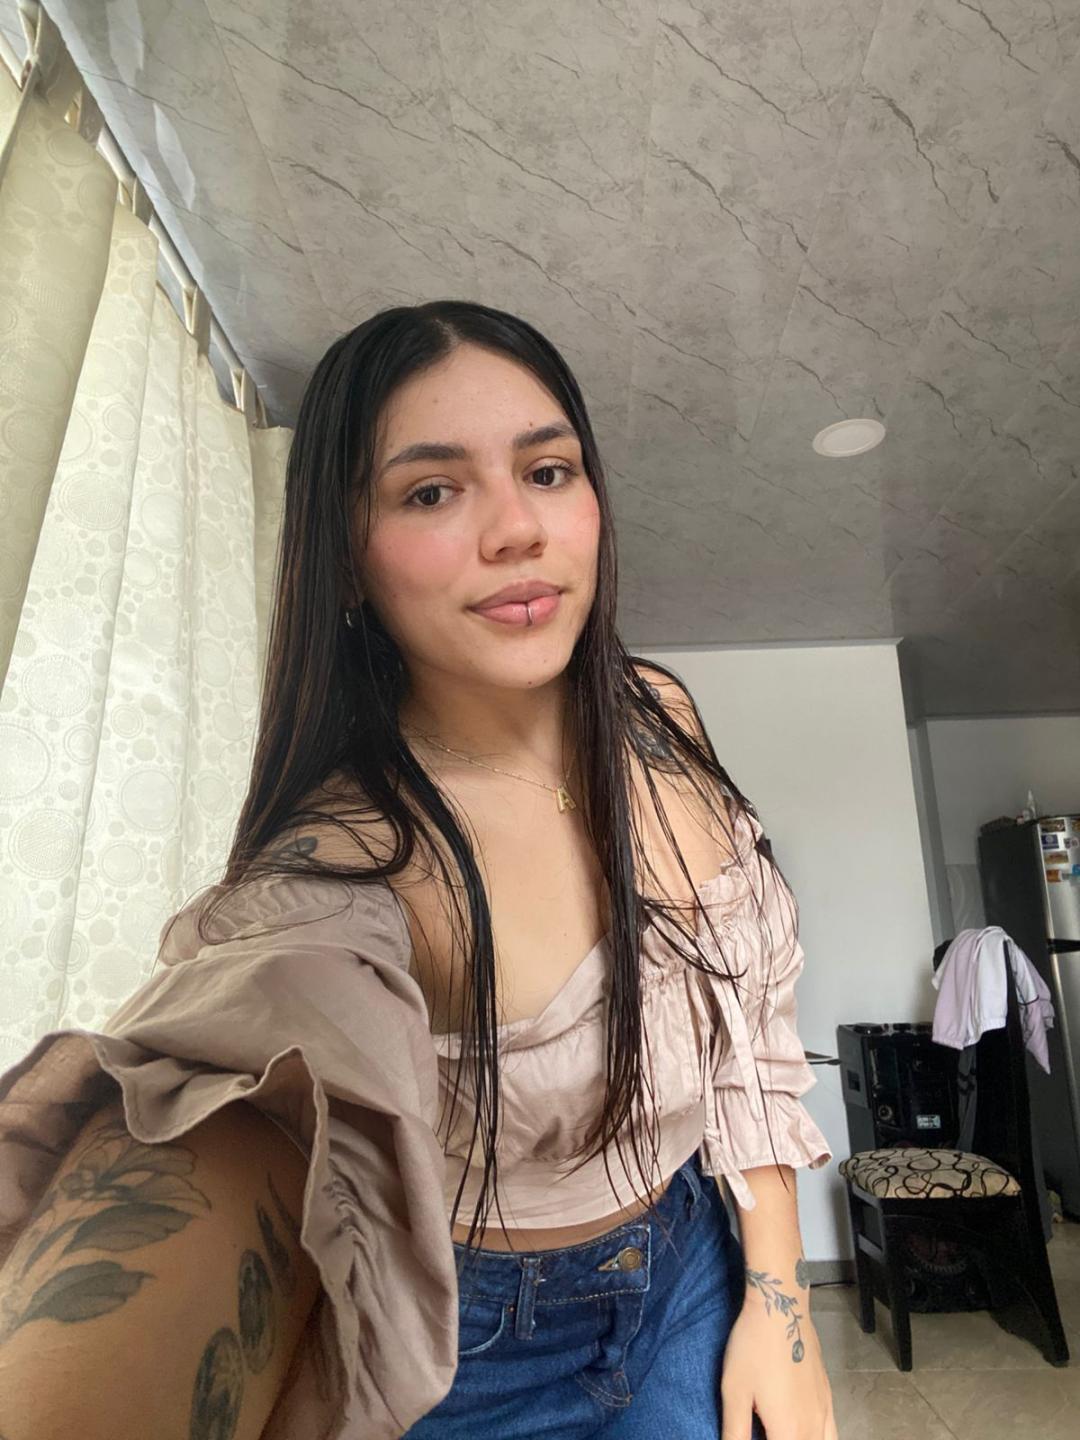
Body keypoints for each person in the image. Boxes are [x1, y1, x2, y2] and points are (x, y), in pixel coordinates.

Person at [0, 301, 836, 1440]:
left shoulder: (655, 711)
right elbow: (231, 1105)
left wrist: (781, 1301)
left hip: (695, 1265)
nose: (517, 530)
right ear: (348, 559)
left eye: (548, 471)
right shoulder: (351, 868)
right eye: (432, 492)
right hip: (478, 1357)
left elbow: (748, 1024)